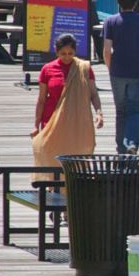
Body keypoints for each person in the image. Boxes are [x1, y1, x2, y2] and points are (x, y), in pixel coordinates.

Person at [31, 33, 103, 172]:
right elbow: (41, 100)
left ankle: (72, 183)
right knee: (51, 154)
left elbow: (93, 94)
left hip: (76, 121)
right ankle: (53, 183)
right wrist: (35, 125)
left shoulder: (84, 68)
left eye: (70, 53)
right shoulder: (47, 69)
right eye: (63, 53)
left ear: (75, 51)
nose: (67, 57)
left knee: (76, 154)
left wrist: (99, 113)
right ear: (56, 52)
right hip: (52, 120)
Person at [101, 0, 139, 154]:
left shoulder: (110, 21)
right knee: (134, 109)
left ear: (117, 0)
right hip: (137, 71)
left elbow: (107, 50)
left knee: (120, 110)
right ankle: (131, 142)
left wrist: (110, 68)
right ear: (136, 1)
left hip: (117, 70)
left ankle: (121, 147)